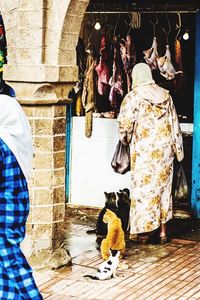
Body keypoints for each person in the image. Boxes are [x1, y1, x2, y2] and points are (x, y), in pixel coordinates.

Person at [117, 63, 184, 243]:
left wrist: (125, 139)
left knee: (144, 191)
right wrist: (178, 151)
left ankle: (144, 233)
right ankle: (162, 231)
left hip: (144, 153)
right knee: (163, 191)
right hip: (165, 153)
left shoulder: (133, 97)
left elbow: (124, 127)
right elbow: (174, 124)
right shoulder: (166, 96)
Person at [0, 95, 43, 299]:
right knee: (6, 262)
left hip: (3, 213)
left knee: (10, 260)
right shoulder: (16, 142)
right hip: (16, 208)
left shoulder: (1, 144)